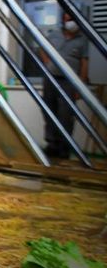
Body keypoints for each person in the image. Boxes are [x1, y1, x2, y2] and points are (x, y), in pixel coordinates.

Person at [39, 12, 89, 159]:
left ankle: (64, 146)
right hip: (51, 78)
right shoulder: (54, 34)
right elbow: (42, 48)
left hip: (69, 82)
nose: (70, 21)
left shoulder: (82, 41)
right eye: (68, 18)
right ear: (63, 19)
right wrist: (47, 63)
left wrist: (81, 85)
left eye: (72, 19)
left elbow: (84, 63)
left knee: (66, 115)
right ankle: (52, 144)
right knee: (49, 111)